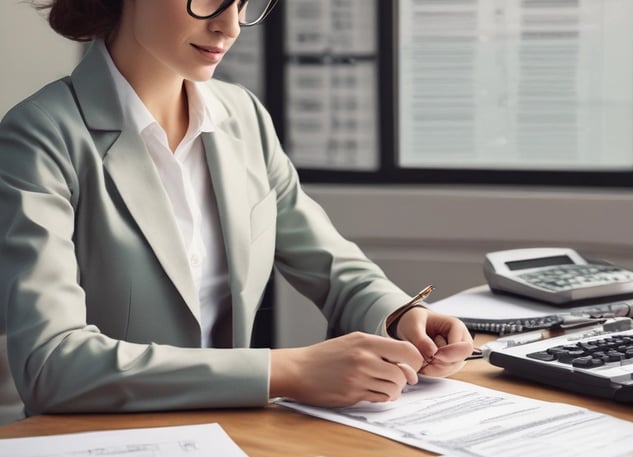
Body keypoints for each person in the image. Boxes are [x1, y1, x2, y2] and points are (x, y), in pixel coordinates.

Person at [0, 0, 474, 416]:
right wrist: (288, 370)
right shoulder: (39, 137)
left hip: (229, 432)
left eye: (244, 1)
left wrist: (398, 315)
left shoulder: (243, 115)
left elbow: (333, 266)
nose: (230, 26)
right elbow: (51, 363)